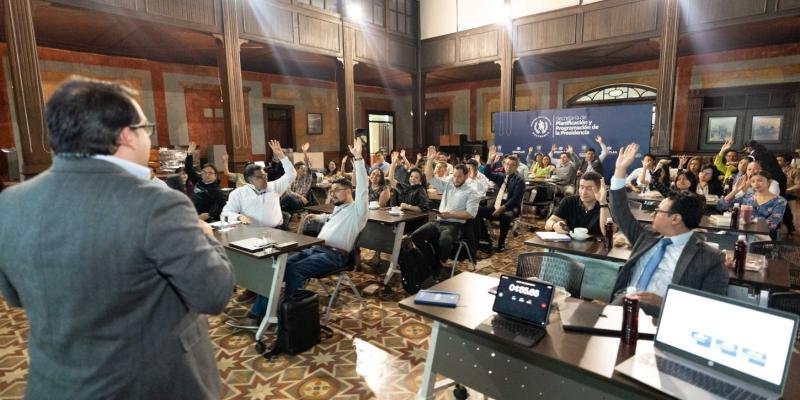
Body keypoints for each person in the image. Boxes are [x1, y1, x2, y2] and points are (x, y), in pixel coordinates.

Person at [0, 77, 233, 398]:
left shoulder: (9, 203)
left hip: (55, 384)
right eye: (146, 128)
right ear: (126, 135)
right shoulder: (156, 202)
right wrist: (204, 233)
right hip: (149, 385)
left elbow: (14, 295)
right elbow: (214, 293)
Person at [228, 137, 369, 330]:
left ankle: (290, 313)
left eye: (337, 191)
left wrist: (359, 160)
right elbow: (333, 221)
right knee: (276, 267)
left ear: (349, 191)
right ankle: (258, 313)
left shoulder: (358, 210)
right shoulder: (339, 209)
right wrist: (319, 218)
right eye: (332, 191)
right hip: (317, 249)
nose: (332, 194)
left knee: (294, 270)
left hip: (335, 256)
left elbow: (364, 190)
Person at [608, 143, 728, 314]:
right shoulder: (647, 238)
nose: (652, 215)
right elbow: (621, 214)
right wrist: (619, 171)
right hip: (623, 307)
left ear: (676, 219)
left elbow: (712, 307)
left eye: (658, 211)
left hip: (662, 319)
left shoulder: (709, 258)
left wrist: (664, 303)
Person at [412, 146, 479, 274]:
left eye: (459, 177)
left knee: (444, 241)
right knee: (416, 236)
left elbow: (470, 214)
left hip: (455, 225)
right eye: (454, 176)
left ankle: (439, 263)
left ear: (466, 176)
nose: (455, 179)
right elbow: (429, 177)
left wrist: (450, 215)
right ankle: (435, 263)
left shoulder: (472, 192)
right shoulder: (449, 184)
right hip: (439, 221)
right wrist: (430, 160)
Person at [220, 140, 296, 229]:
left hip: (276, 230)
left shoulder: (274, 186)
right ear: (250, 180)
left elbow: (292, 174)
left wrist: (281, 156)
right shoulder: (239, 193)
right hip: (251, 233)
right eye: (260, 177)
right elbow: (225, 213)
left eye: (265, 175)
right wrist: (239, 217)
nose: (265, 178)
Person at [478, 149, 526, 252]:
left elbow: (515, 199)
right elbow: (487, 173)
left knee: (505, 216)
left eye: (511, 165)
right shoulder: (500, 176)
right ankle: (485, 238)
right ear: (504, 165)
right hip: (497, 205)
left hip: (511, 208)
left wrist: (502, 209)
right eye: (507, 164)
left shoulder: (520, 180)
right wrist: (490, 160)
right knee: (477, 211)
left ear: (516, 167)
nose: (508, 166)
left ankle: (501, 242)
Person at [718, 171, 787, 240]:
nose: (756, 184)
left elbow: (771, 224)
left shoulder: (780, 201)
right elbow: (721, 206)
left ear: (768, 182)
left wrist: (748, 221)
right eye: (753, 181)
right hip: (741, 233)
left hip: (762, 237)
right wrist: (735, 190)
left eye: (760, 180)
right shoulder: (748, 197)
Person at [545, 171, 611, 236]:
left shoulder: (608, 206)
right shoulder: (569, 201)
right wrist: (554, 225)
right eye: (581, 187)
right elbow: (548, 223)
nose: (583, 192)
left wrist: (603, 203)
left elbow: (607, 233)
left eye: (589, 188)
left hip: (597, 245)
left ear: (600, 189)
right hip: (569, 244)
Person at [185, 141, 227, 221]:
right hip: (193, 215)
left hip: (207, 220)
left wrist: (209, 214)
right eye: (204, 172)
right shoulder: (199, 181)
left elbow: (223, 205)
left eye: (210, 173)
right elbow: (189, 169)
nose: (207, 175)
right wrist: (189, 154)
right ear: (201, 173)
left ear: (215, 176)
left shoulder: (217, 190)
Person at [281, 142, 314, 212]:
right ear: (297, 170)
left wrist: (304, 152)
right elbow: (288, 191)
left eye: (305, 170)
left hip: (300, 203)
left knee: (287, 198)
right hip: (295, 199)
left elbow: (307, 163)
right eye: (303, 170)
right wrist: (300, 196)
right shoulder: (293, 179)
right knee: (283, 202)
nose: (305, 172)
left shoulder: (307, 178)